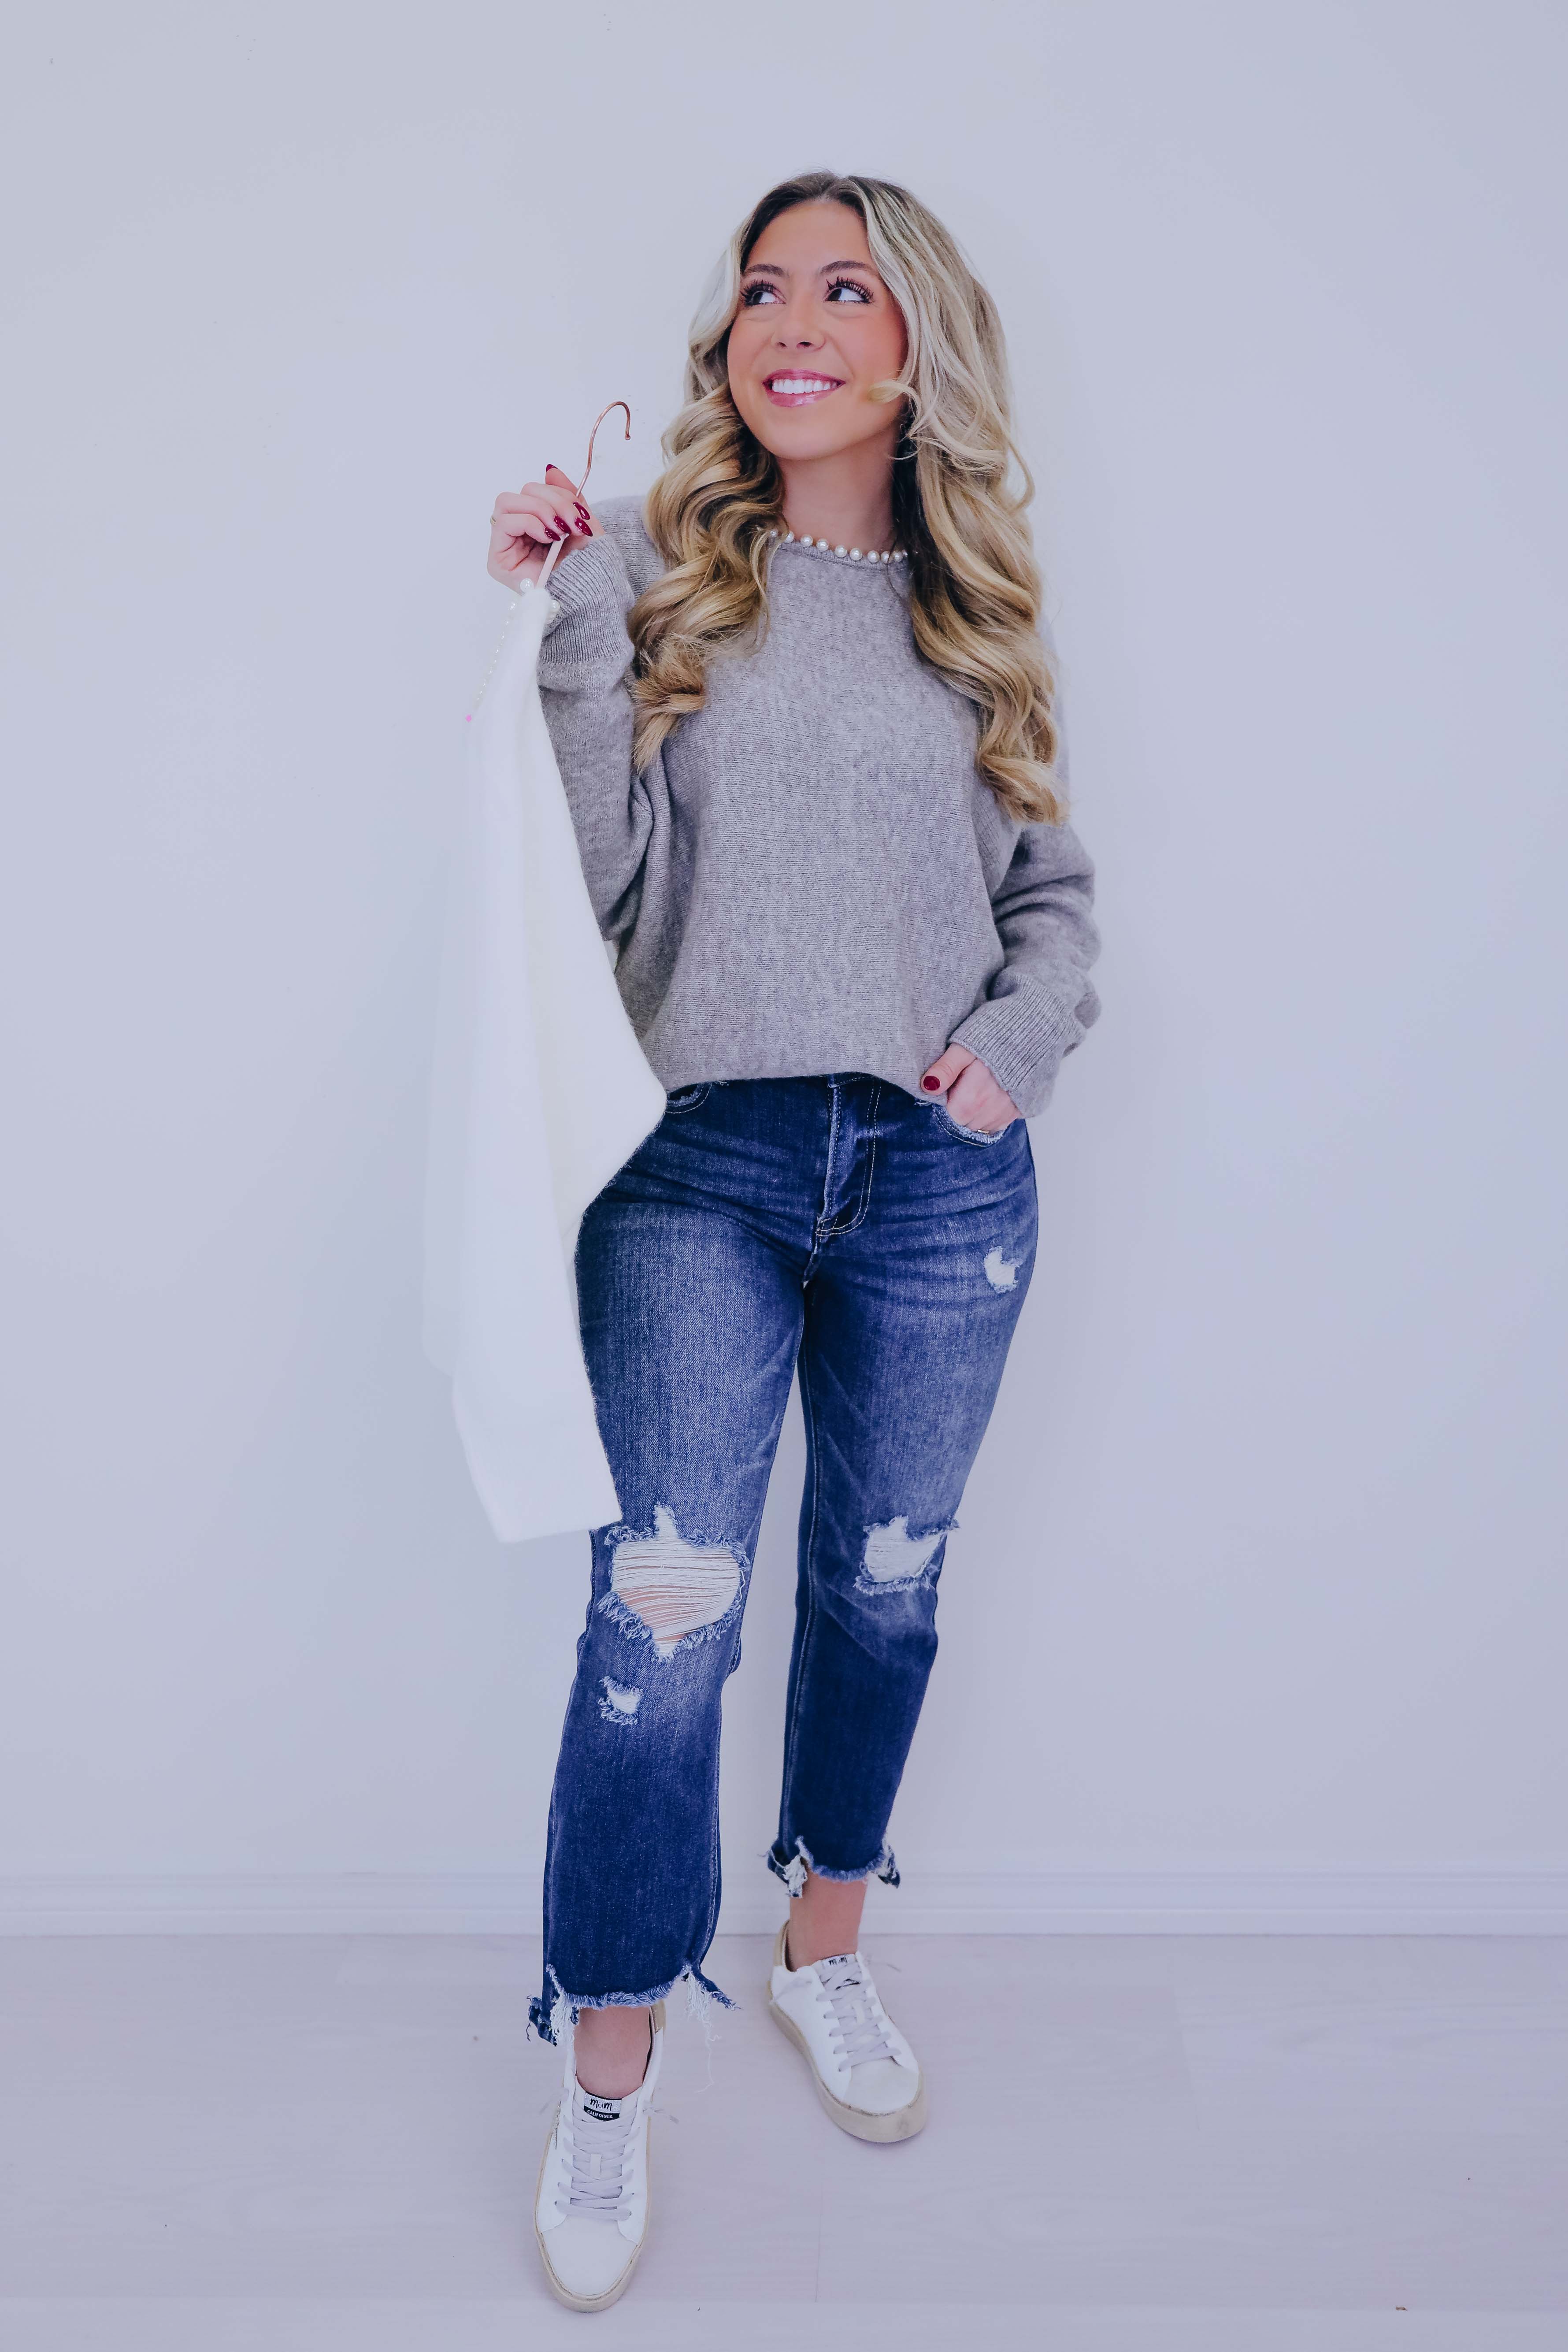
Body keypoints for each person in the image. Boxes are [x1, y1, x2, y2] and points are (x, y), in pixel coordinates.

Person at [485, 170, 1100, 2313]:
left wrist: (1014, 1047)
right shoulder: (649, 571)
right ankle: (607, 2064)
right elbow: (588, 891)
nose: (792, 322)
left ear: (915, 345)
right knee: (662, 1624)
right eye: (762, 288)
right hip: (698, 1170)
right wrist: (568, 625)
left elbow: (1050, 901)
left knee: (884, 1584)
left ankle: (825, 1940)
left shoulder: (972, 608)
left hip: (937, 1175)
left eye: (842, 287)